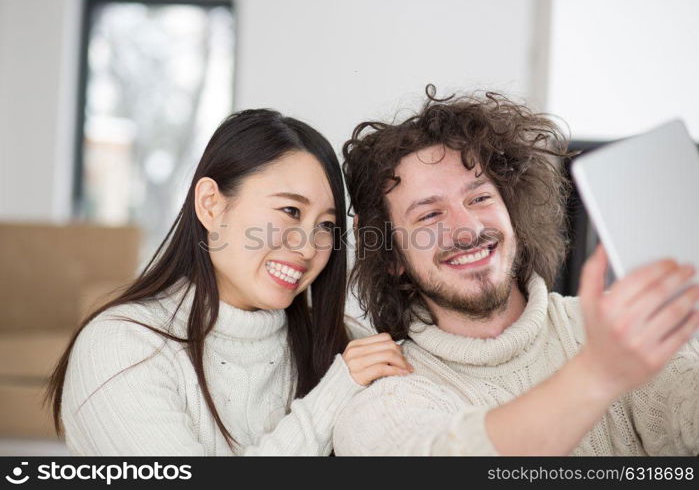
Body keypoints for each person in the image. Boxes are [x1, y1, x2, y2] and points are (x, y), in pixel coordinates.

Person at [334, 87, 699, 455]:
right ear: (392, 255)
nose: (469, 230)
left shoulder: (620, 330)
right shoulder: (384, 399)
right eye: (430, 214)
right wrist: (598, 372)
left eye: (479, 198)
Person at [46, 109, 411, 455]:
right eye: (290, 211)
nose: (306, 247)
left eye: (326, 226)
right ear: (210, 204)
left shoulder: (347, 346)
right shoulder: (122, 348)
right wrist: (332, 397)